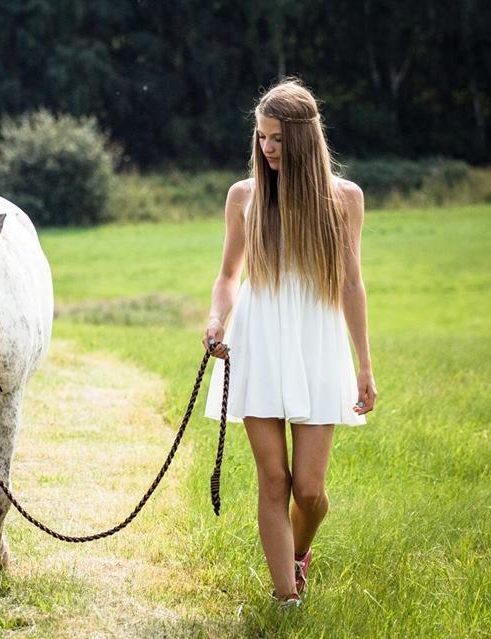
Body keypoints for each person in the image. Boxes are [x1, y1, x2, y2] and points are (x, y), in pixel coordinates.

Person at [202, 78, 378, 608]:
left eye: (277, 138)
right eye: (261, 137)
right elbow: (229, 275)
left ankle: (298, 555)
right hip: (256, 345)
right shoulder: (244, 197)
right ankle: (286, 599)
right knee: (273, 480)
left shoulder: (344, 199)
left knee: (310, 492)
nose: (267, 148)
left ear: (303, 138)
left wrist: (365, 366)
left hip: (317, 348)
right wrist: (216, 319)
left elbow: (351, 283)